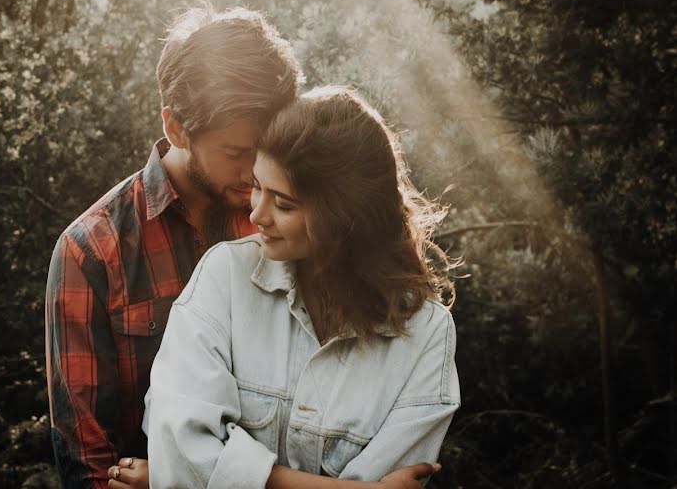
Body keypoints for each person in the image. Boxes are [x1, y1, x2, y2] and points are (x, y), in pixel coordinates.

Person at [143, 86, 461, 488]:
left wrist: (233, 473)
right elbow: (180, 456)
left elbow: (191, 473)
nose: (257, 214)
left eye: (285, 204)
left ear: (346, 218)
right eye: (258, 186)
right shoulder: (225, 276)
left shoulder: (426, 335)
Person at [44, 3, 303, 488]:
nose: (255, 172)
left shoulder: (287, 222)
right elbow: (88, 462)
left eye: (267, 149)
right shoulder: (93, 251)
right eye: (236, 153)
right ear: (176, 127)